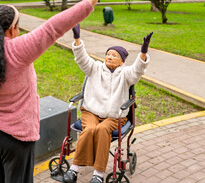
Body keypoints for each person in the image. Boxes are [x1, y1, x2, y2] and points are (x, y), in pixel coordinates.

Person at [0, 0, 104, 183]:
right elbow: (54, 27)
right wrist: (89, 2)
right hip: (15, 137)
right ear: (10, 29)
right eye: (18, 24)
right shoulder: (18, 50)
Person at [62, 26, 153, 183]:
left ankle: (98, 174)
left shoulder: (126, 74)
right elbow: (82, 58)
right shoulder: (95, 67)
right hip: (91, 112)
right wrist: (77, 39)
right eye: (108, 54)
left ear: (122, 61)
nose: (109, 57)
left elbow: (138, 70)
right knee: (90, 129)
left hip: (114, 116)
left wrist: (143, 53)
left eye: (114, 55)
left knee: (102, 130)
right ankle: (74, 169)